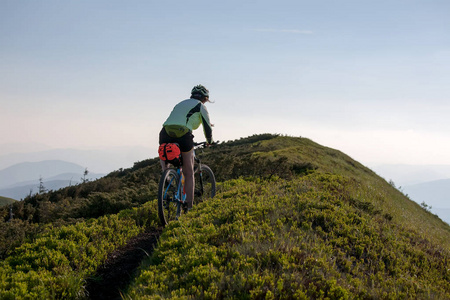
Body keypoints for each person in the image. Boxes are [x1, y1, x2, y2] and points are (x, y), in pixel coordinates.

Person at [159, 84, 214, 211]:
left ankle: (166, 176)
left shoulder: (180, 103)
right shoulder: (201, 106)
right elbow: (207, 128)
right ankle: (189, 207)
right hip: (183, 134)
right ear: (205, 98)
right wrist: (209, 141)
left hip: (165, 132)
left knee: (165, 151)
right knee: (188, 173)